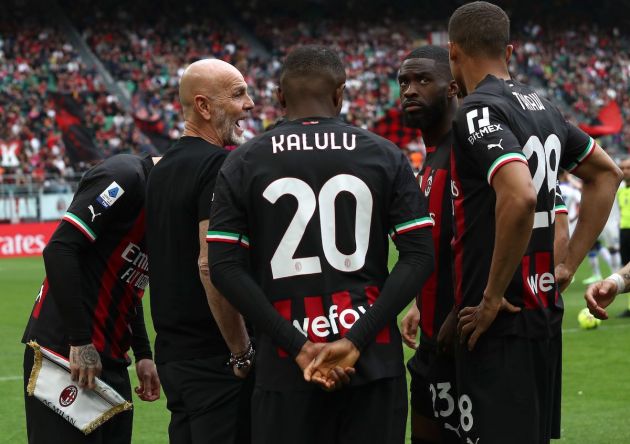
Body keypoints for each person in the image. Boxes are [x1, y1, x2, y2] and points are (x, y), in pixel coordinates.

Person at [208, 45, 434, 444]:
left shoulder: (243, 162)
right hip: (372, 361)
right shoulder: (384, 155)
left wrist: (298, 347)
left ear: (280, 97)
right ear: (340, 93)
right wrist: (354, 339)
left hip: (285, 365)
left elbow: (223, 267)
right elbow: (418, 255)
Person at [447, 2, 622, 443]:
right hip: (543, 312)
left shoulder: (477, 110)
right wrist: (569, 265)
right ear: (509, 50)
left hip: (499, 319)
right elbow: (607, 174)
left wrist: (489, 298)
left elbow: (520, 195)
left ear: (452, 53)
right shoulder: (544, 107)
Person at [146, 59, 254, 444]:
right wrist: (240, 351)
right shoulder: (219, 165)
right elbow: (211, 265)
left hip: (174, 355)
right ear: (204, 107)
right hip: (215, 355)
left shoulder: (160, 168)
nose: (251, 104)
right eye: (238, 93)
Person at [22, 153, 161, 444]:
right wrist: (80, 341)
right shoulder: (126, 176)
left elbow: (129, 282)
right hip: (66, 354)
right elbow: (59, 250)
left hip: (111, 359)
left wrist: (144, 354)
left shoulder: (166, 204)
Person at [396, 45, 461, 444]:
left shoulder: (467, 152)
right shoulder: (430, 159)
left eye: (423, 80)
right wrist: (422, 304)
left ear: (452, 88)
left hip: (464, 345)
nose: (409, 90)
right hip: (432, 343)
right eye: (404, 81)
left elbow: (500, 234)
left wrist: (463, 307)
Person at [616, 157, 630, 316]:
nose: (625, 171)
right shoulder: (621, 191)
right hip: (624, 232)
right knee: (626, 268)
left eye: (628, 168)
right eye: (623, 168)